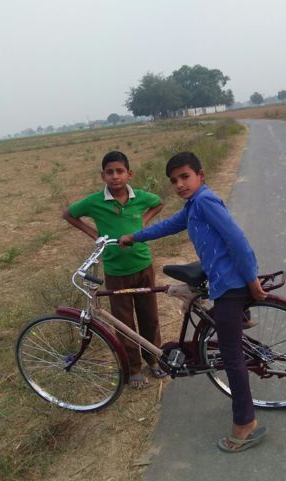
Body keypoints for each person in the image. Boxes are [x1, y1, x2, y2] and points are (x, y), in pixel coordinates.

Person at [119, 151, 268, 453]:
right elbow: (169, 225)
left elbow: (237, 240)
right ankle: (239, 320)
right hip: (223, 281)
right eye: (174, 180)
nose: (180, 184)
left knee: (231, 356)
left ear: (201, 175)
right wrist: (135, 236)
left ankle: (245, 423)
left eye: (185, 177)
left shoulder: (205, 201)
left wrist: (252, 280)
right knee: (225, 332)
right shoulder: (193, 205)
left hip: (231, 284)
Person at [63, 150, 166, 389]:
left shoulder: (140, 197)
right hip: (116, 271)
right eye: (110, 172)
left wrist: (143, 222)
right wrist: (95, 235)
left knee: (150, 317)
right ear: (103, 176)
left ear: (129, 174)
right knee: (123, 321)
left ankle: (154, 359)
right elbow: (69, 214)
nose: (115, 176)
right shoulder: (94, 202)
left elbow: (159, 203)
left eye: (120, 171)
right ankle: (134, 368)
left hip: (143, 265)